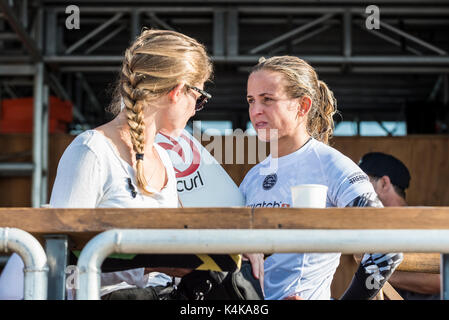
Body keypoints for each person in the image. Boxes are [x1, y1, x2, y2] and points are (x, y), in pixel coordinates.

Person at [0, 28, 213, 300]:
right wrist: (147, 265)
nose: (196, 108)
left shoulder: (164, 161)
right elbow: (61, 264)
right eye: (200, 97)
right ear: (178, 90)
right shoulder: (92, 150)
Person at [239, 55, 403, 300]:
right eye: (251, 101)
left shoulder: (331, 165)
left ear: (303, 106)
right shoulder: (253, 177)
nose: (256, 111)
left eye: (268, 100)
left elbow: (388, 247)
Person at [358, 152, 440, 300]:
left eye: (364, 184)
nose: (358, 192)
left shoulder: (423, 222)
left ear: (384, 183)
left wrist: (375, 274)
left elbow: (440, 281)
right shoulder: (378, 229)